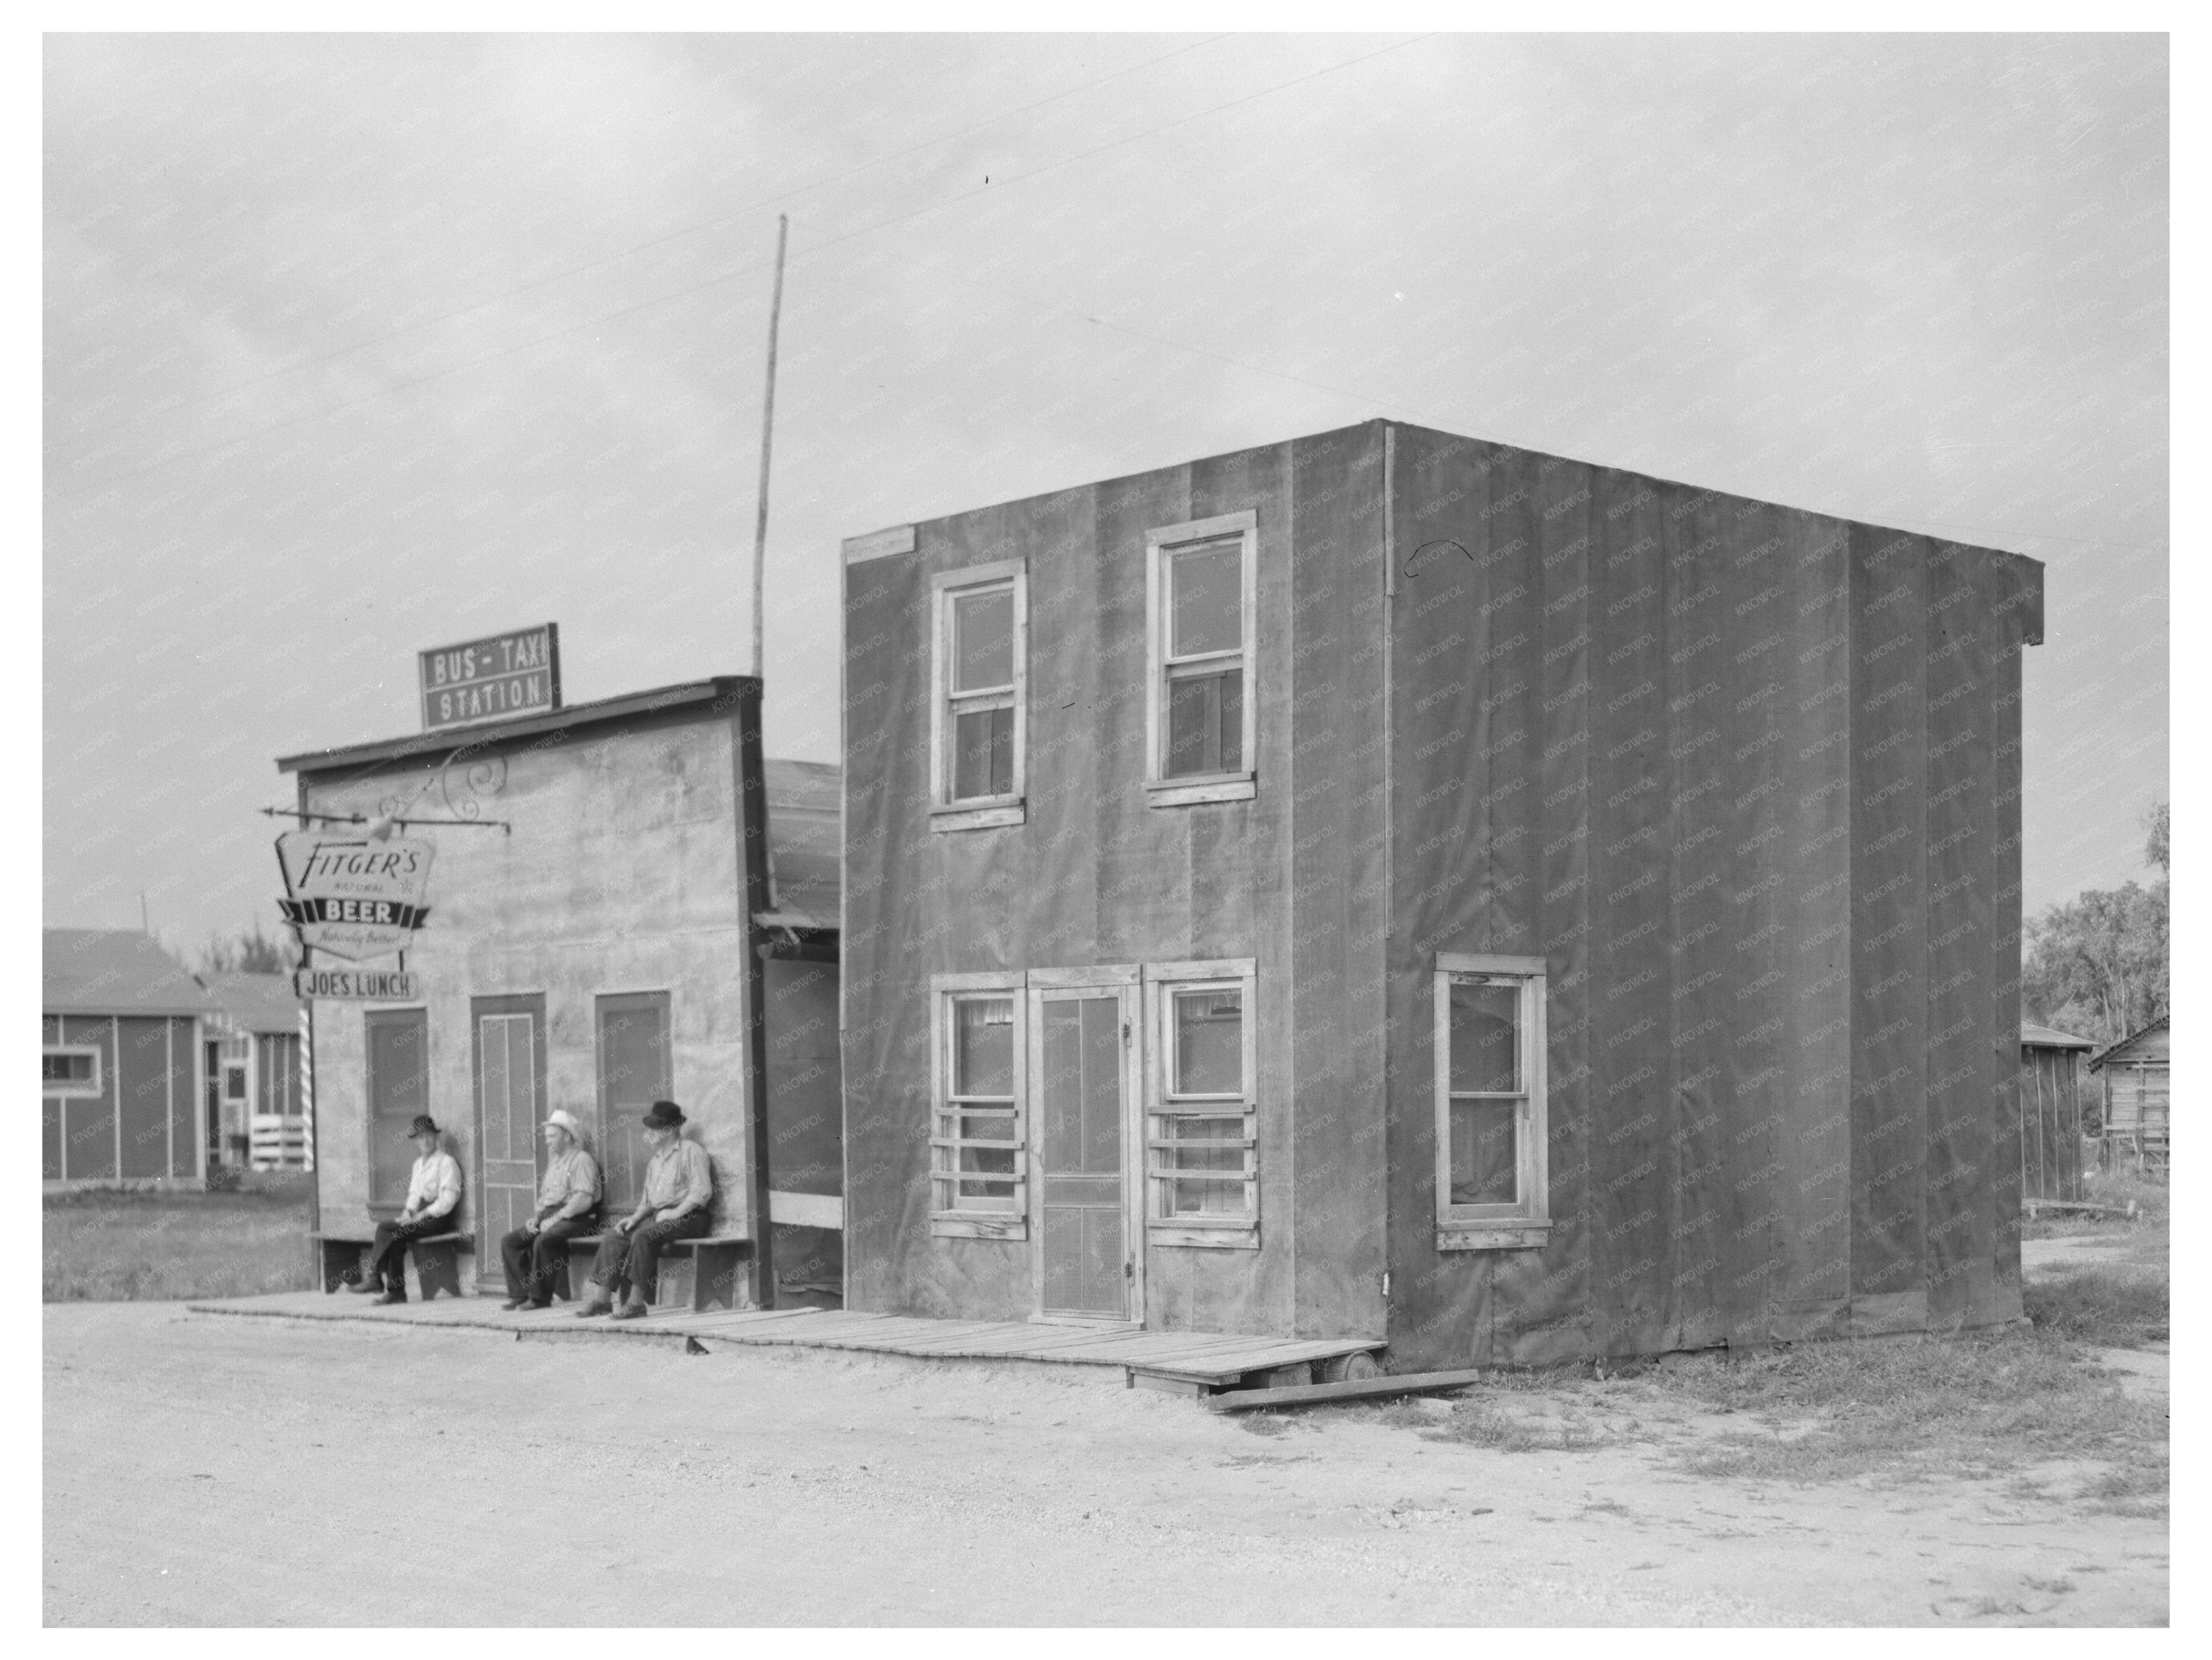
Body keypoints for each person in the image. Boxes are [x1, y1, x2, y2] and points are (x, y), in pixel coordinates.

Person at [575, 1099, 712, 1320]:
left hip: (691, 1217)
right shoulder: (655, 1161)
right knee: (615, 1236)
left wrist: (676, 1213)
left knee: (643, 1236)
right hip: (662, 1219)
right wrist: (635, 1218)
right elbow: (649, 1201)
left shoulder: (692, 1152)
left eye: (654, 1128)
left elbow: (702, 1192)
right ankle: (602, 1301)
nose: (649, 1133)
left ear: (670, 1130)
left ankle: (636, 1304)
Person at [498, 1108, 602, 1310]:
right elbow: (546, 1197)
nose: (547, 1142)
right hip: (553, 1216)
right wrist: (537, 1217)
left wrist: (554, 1220)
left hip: (579, 1218)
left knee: (544, 1240)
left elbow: (584, 1199)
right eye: (547, 1137)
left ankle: (540, 1299)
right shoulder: (555, 1163)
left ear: (566, 1136)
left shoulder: (581, 1160)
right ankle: (520, 1294)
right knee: (510, 1241)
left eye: (552, 1137)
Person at [356, 1114, 462, 1305]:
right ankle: (396, 1293)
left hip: (438, 1220)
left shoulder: (446, 1162)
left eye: (429, 1136)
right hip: (421, 1218)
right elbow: (414, 1195)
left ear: (436, 1138)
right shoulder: (418, 1165)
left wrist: (421, 1215)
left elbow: (448, 1201)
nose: (426, 1141)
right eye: (421, 1138)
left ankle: (374, 1277)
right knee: (394, 1237)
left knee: (385, 1229)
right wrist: (409, 1214)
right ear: (417, 1142)